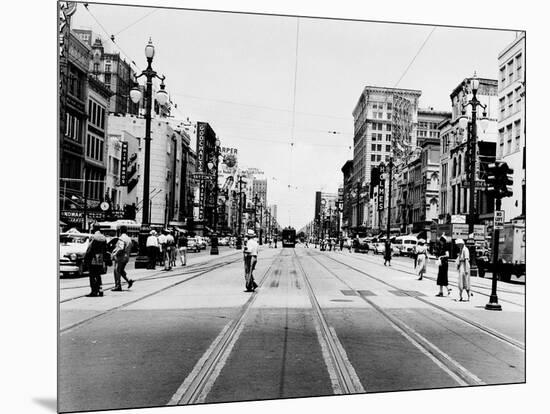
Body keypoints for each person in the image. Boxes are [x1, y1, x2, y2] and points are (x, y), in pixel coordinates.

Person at [83, 230, 108, 297]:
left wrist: (86, 259)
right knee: (98, 275)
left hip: (93, 258)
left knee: (92, 275)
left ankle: (93, 291)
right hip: (100, 258)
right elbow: (106, 250)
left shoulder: (93, 237)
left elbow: (89, 249)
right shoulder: (104, 238)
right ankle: (100, 289)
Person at [111, 225, 134, 291]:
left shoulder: (121, 238)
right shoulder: (129, 239)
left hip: (120, 257)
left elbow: (120, 248)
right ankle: (128, 280)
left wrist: (114, 254)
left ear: (120, 231)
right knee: (121, 270)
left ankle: (118, 286)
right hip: (126, 257)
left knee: (117, 270)